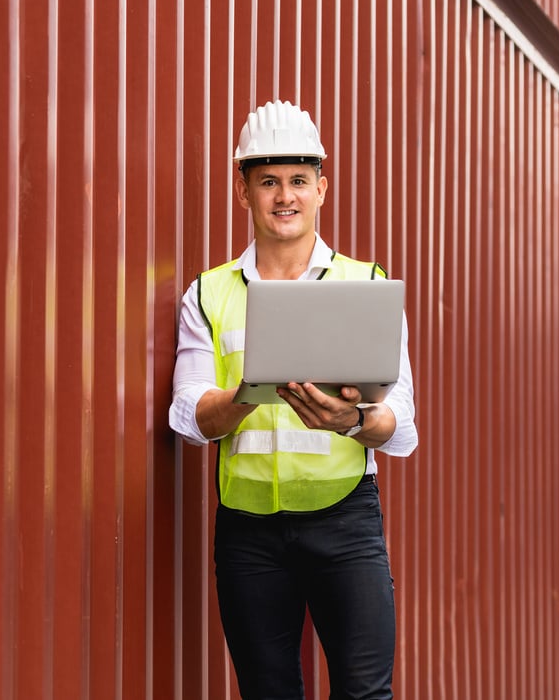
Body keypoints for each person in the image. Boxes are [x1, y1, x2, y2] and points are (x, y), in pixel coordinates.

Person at [169, 100, 418, 699]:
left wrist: (352, 421)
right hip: (248, 531)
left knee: (365, 693)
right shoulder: (209, 293)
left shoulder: (367, 285)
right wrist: (246, 397)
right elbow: (188, 416)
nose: (286, 196)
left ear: (321, 188)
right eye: (269, 182)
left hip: (344, 521)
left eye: (299, 181)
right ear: (243, 191)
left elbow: (402, 424)